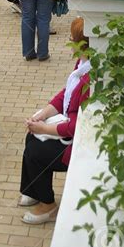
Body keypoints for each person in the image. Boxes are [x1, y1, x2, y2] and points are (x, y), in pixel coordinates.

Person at [19, 18, 90, 224]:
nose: (69, 41)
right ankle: (33, 189)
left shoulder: (92, 78)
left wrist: (46, 128)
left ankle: (48, 204)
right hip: (69, 132)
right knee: (31, 138)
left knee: (36, 152)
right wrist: (44, 114)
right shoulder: (83, 63)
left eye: (72, 39)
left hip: (78, 144)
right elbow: (65, 93)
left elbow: (77, 125)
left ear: (83, 45)